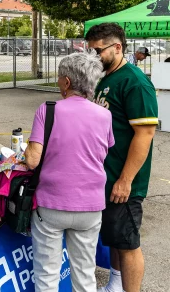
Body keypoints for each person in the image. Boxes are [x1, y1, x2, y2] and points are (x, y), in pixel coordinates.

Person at [25, 51, 114, 292]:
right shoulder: (105, 115)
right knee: (85, 274)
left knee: (47, 275)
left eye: (59, 77)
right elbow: (103, 152)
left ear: (67, 82)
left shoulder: (48, 109)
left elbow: (33, 160)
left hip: (52, 204)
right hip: (91, 205)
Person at [85, 23, 158, 292]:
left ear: (117, 47)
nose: (93, 57)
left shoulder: (135, 82)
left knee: (127, 244)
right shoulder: (105, 78)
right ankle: (115, 283)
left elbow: (145, 133)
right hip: (103, 177)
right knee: (114, 238)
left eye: (97, 51)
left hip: (122, 181)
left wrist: (126, 180)